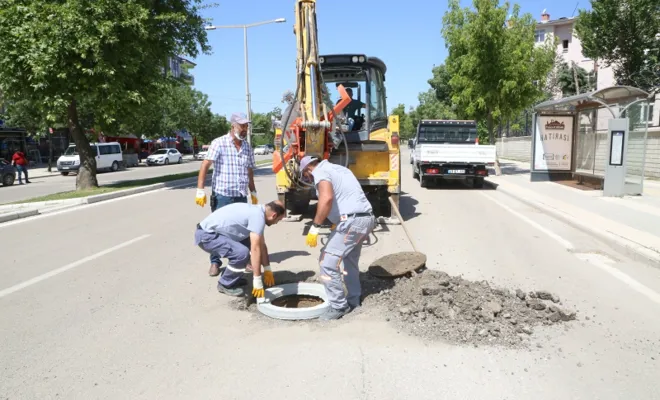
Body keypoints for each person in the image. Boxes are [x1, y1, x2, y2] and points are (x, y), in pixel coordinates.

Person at [300, 155, 376, 320]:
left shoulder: (320, 171)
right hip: (365, 218)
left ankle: (338, 306)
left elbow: (326, 198)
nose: (308, 179)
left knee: (327, 262)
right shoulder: (341, 169)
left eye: (306, 176)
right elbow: (346, 195)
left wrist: (315, 226)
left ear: (308, 169)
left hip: (351, 222)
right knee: (349, 261)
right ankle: (354, 300)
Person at [195, 112, 259, 277]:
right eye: (241, 126)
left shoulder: (247, 147)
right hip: (223, 195)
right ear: (233, 125)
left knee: (242, 229)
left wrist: (252, 191)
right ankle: (215, 262)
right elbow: (205, 164)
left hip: (240, 195)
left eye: (246, 126)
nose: (244, 129)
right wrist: (200, 189)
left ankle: (244, 260)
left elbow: (249, 170)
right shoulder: (219, 143)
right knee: (218, 230)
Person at [194, 200, 286, 298]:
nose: (276, 223)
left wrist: (267, 269)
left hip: (212, 233)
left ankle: (233, 278)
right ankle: (225, 284)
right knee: (242, 253)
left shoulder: (257, 212)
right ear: (274, 215)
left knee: (250, 244)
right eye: (278, 220)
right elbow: (255, 249)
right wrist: (257, 280)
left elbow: (261, 245)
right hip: (207, 236)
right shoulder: (257, 217)